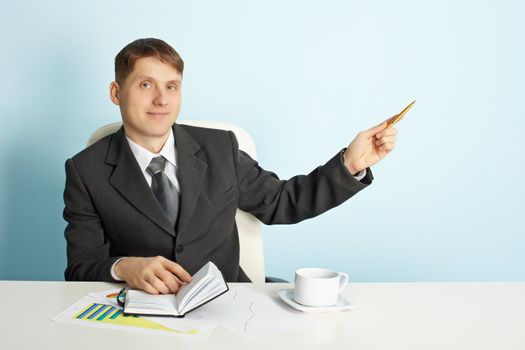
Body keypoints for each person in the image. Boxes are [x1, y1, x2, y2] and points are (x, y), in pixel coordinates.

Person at [63, 38, 398, 295]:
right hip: (142, 314)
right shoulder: (85, 171)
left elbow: (283, 201)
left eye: (172, 86)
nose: (162, 99)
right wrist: (124, 267)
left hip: (227, 304)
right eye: (146, 84)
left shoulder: (220, 148)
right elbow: (81, 266)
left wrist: (350, 164)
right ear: (116, 93)